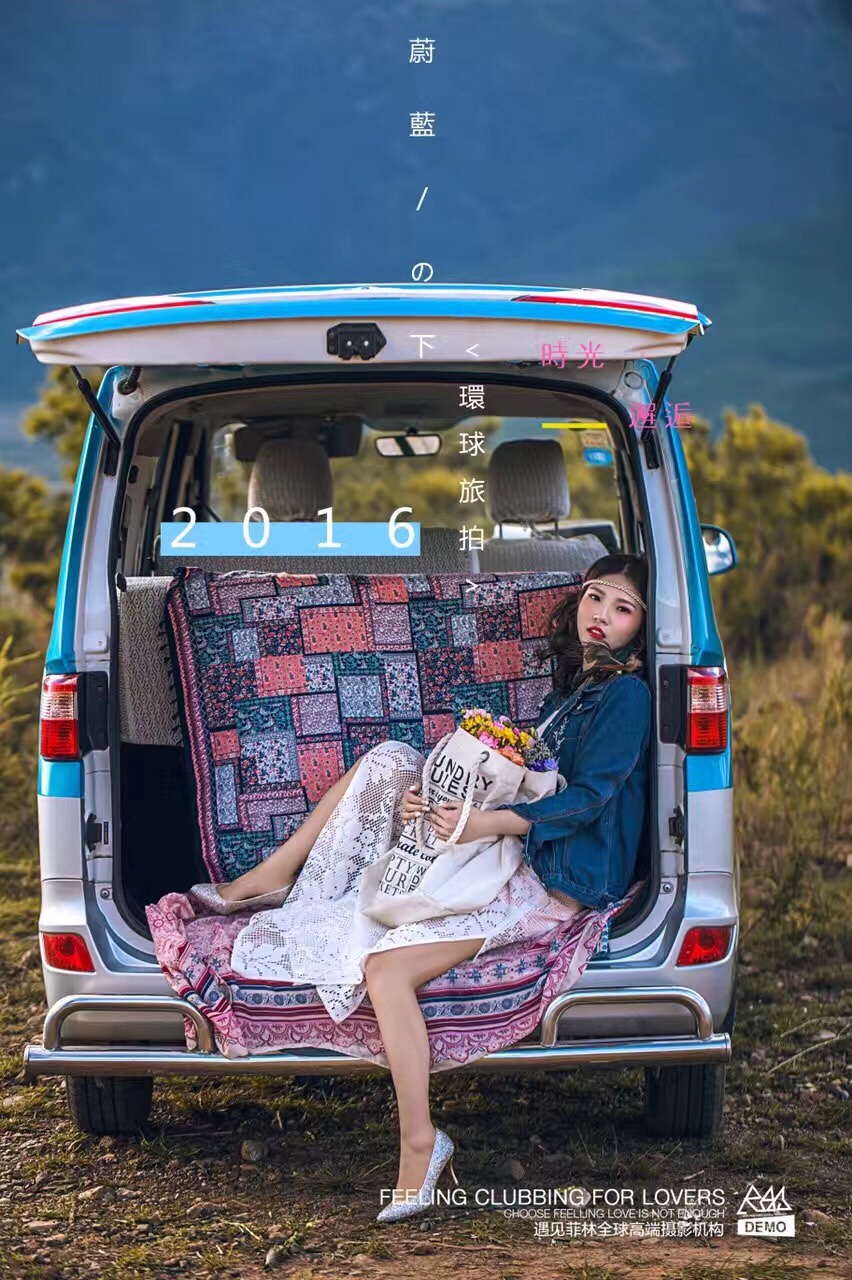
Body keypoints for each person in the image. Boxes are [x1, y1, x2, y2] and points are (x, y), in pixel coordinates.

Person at [189, 553, 651, 1223]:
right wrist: (438, 799)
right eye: (594, 598)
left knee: (384, 968)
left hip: (556, 878)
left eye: (622, 608)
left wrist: (480, 823)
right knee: (389, 766)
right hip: (515, 850)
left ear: (641, 626)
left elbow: (588, 800)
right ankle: (275, 877)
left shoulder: (627, 697)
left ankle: (420, 1146)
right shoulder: (572, 691)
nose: (601, 615)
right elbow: (530, 782)